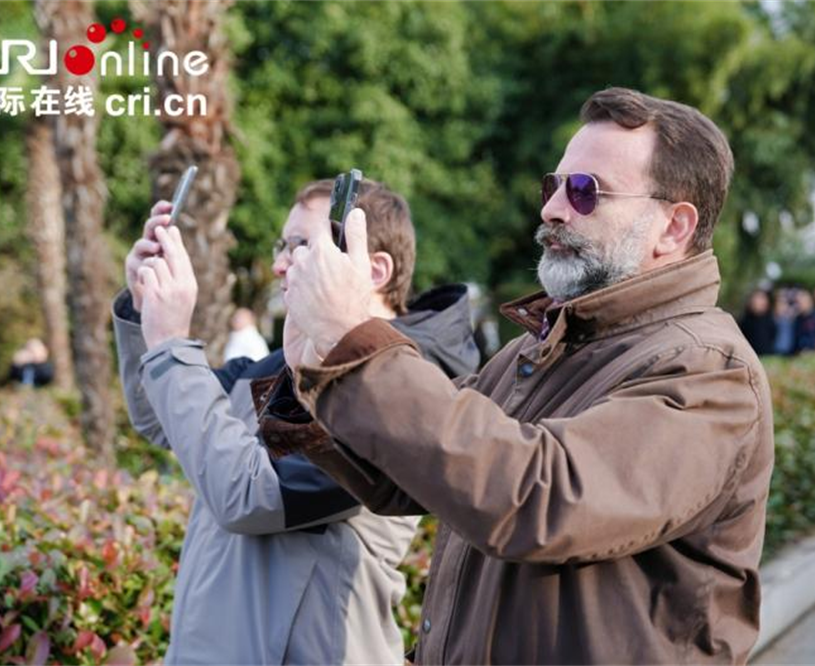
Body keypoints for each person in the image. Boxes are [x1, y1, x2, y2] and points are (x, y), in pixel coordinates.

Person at [275, 87, 775, 663]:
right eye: (554, 186)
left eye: (586, 192)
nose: (553, 209)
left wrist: (356, 342)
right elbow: (406, 469)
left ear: (673, 228)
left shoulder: (708, 370)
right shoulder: (541, 348)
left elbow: (539, 497)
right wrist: (314, 362)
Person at [113, 179, 479, 665]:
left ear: (373, 269)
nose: (279, 264)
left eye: (302, 246)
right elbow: (160, 417)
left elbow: (250, 496)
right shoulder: (281, 365)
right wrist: (144, 314)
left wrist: (171, 344)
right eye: (281, 246)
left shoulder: (400, 390)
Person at [739, 288, 777, 356]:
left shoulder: (771, 320)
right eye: (756, 299)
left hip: (768, 355)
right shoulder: (745, 321)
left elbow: (773, 336)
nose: (758, 302)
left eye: (762, 299)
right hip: (750, 356)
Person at [793, 289, 815, 353]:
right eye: (799, 303)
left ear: (809, 302)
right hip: (802, 353)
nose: (800, 305)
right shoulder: (797, 320)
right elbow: (797, 339)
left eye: (802, 302)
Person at [773, 291, 796, 356]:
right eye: (780, 303)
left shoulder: (791, 319)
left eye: (784, 303)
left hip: (790, 351)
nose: (782, 306)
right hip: (776, 350)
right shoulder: (772, 319)